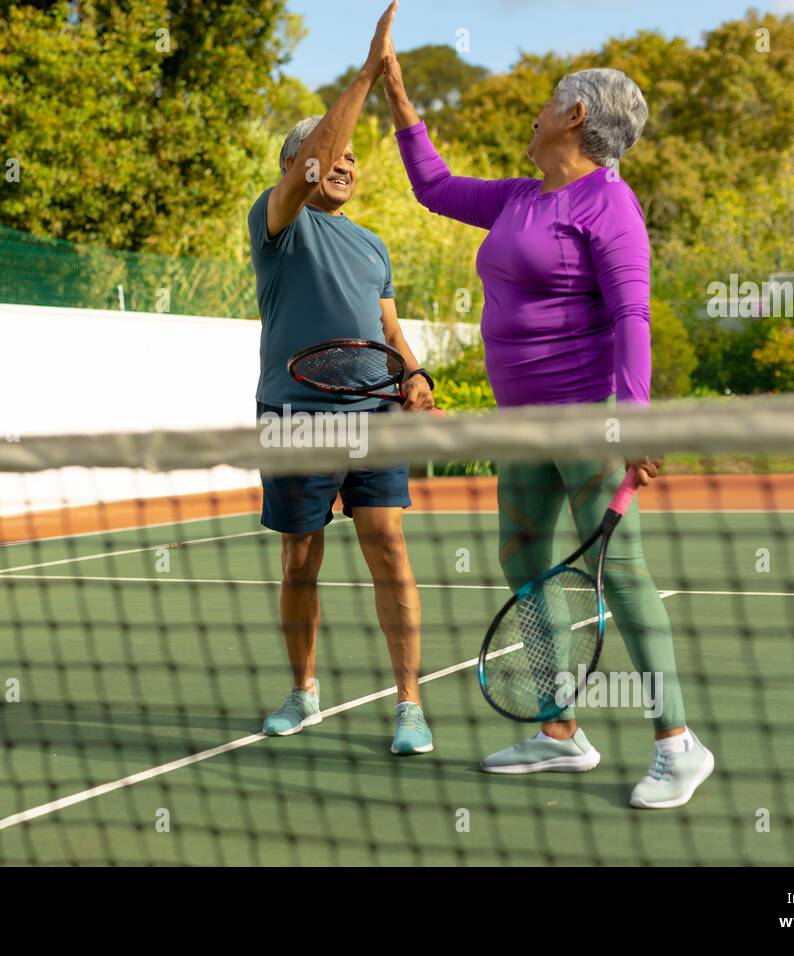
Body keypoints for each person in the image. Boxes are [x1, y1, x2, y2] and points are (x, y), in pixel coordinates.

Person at [381, 51, 714, 806]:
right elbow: (434, 188)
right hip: (521, 425)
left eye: (548, 101)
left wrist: (631, 421)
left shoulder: (609, 205)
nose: (535, 111)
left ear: (576, 117)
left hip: (587, 419)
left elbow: (632, 315)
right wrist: (400, 98)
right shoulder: (521, 199)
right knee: (524, 560)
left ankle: (677, 743)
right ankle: (559, 729)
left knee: (619, 575)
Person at [248, 1, 435, 756]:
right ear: (304, 167)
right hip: (295, 416)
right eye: (337, 157)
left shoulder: (372, 244)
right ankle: (303, 692)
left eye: (356, 160)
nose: (349, 164)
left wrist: (416, 374)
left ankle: (410, 706)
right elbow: (314, 156)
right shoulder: (277, 219)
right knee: (301, 557)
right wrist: (367, 72)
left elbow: (387, 327)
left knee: (388, 545)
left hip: (376, 412)